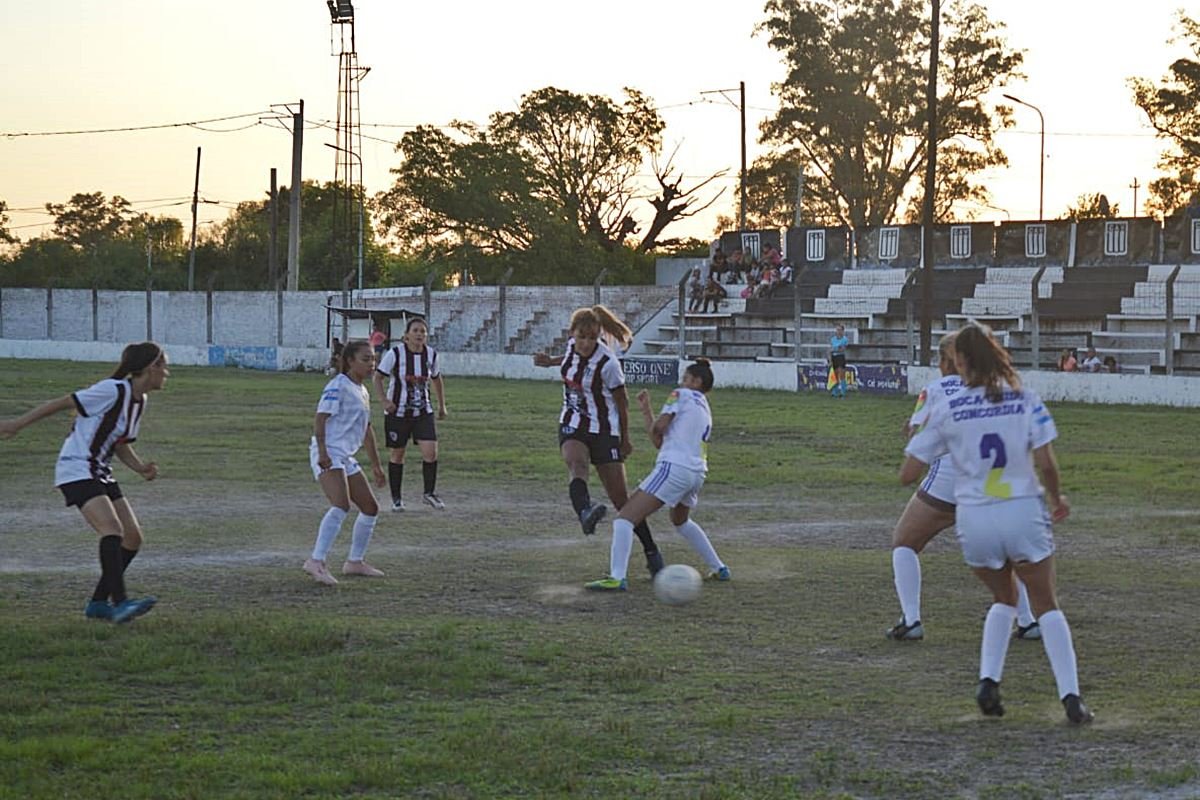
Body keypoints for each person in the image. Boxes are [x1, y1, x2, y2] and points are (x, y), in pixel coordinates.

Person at [900, 322, 1093, 724]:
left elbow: (908, 472)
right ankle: (1071, 698)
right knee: (1046, 605)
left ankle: (989, 681)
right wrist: (1057, 498)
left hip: (975, 518)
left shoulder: (947, 406)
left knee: (1003, 597)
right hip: (1021, 509)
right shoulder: (1024, 397)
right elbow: (1047, 463)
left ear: (960, 362)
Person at [887, 332, 1041, 642]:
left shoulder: (933, 389)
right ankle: (1027, 621)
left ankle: (912, 619)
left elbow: (916, 432)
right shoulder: (997, 387)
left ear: (947, 362)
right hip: (992, 477)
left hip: (949, 475)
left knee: (904, 541)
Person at [0, 342, 167, 623]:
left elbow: (120, 442)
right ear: (152, 368)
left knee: (133, 537)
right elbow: (63, 402)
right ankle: (121, 603)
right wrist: (17, 423)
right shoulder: (112, 390)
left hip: (100, 470)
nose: (167, 373)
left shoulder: (140, 401)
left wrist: (140, 468)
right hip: (75, 468)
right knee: (111, 530)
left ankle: (98, 604)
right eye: (164, 367)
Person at [532, 305, 665, 577]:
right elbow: (569, 357)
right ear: (572, 334)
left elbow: (622, 402)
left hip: (604, 431)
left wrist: (625, 440)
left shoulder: (608, 364)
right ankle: (585, 512)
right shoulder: (571, 346)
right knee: (576, 465)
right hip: (572, 423)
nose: (585, 343)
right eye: (581, 337)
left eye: (592, 338)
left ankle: (651, 550)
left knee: (621, 501)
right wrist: (550, 361)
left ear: (598, 337)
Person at [586, 359, 729, 591]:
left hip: (674, 467)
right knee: (680, 521)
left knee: (624, 519)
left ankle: (617, 577)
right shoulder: (703, 406)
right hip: (696, 473)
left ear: (695, 381)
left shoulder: (679, 394)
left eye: (685, 378)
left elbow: (659, 430)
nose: (682, 382)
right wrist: (646, 411)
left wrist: (652, 420)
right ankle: (719, 567)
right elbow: (659, 441)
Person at [303, 339, 388, 585]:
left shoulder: (362, 390)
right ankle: (316, 561)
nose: (372, 364)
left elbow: (366, 430)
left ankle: (355, 562)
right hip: (328, 451)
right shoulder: (338, 385)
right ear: (350, 361)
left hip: (345, 456)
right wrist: (322, 452)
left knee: (370, 508)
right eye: (366, 359)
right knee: (340, 505)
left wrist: (376, 465)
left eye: (373, 359)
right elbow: (320, 419)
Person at [372, 317, 448, 512]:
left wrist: (441, 405)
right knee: (398, 454)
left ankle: (429, 493)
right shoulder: (395, 354)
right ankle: (396, 499)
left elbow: (437, 380)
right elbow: (378, 377)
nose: (419, 334)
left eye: (423, 331)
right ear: (406, 336)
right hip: (398, 413)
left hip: (423, 412)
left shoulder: (431, 355)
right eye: (415, 331)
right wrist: (384, 401)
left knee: (430, 453)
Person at [829, 324, 850, 397]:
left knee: (841, 374)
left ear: (843, 331)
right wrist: (830, 359)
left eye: (840, 330)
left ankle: (843, 392)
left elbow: (843, 349)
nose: (838, 331)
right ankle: (835, 391)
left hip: (840, 357)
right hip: (834, 357)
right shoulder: (833, 339)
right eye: (837, 330)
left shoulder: (845, 339)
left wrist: (835, 349)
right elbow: (830, 350)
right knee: (835, 375)